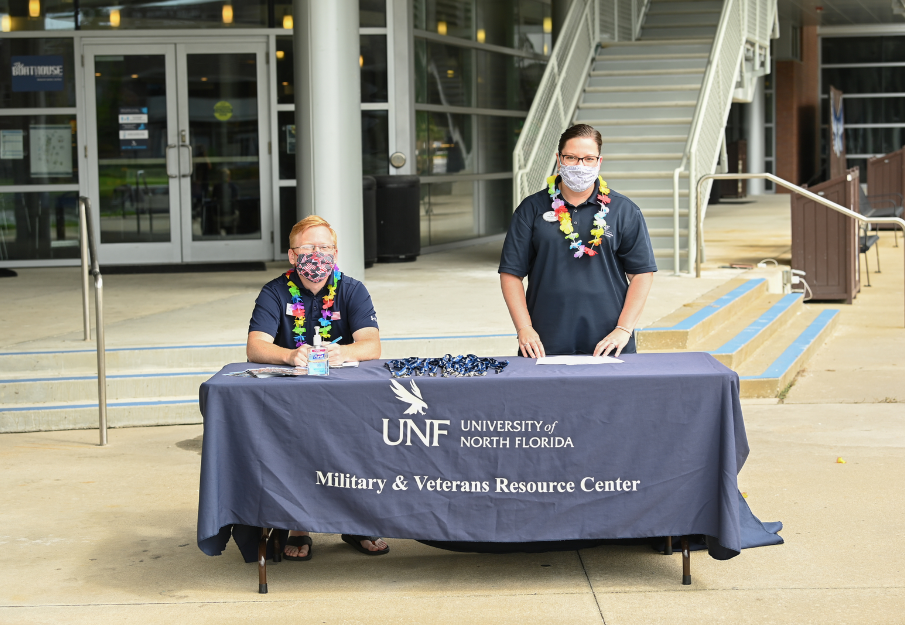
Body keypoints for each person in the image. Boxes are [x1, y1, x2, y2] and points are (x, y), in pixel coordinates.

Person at [246, 215, 388, 560]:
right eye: (308, 247)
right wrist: (290, 355)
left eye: (324, 247)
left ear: (335, 253)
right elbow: (256, 347)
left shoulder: (352, 289)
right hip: (292, 398)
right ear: (293, 256)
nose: (317, 254)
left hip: (346, 396)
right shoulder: (275, 291)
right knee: (293, 448)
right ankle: (298, 526)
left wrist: (345, 351)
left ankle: (357, 524)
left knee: (357, 448)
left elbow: (372, 345)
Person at [499, 124, 656, 359]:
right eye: (571, 157)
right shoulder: (530, 209)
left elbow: (641, 274)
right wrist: (524, 328)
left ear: (599, 161)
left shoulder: (624, 210)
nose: (579, 166)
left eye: (588, 158)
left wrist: (623, 330)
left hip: (609, 341)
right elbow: (511, 274)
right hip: (543, 341)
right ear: (558, 159)